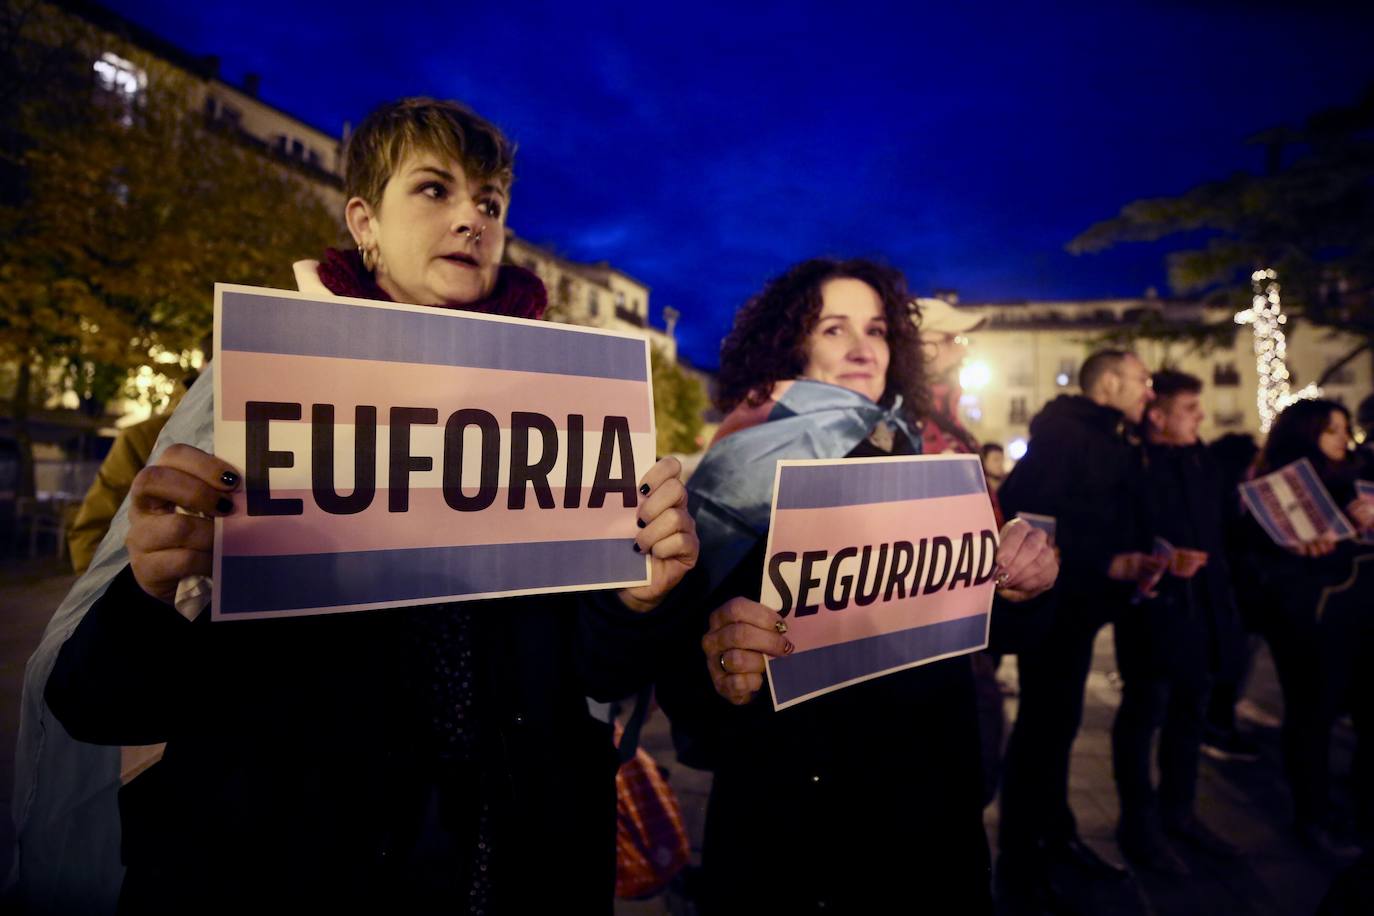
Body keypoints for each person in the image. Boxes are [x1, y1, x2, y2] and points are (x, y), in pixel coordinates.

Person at [25, 97, 698, 913]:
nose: (471, 219)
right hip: (289, 870)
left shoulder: (560, 407)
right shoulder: (260, 388)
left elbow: (595, 674)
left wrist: (638, 598)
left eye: (490, 202)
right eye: (433, 189)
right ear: (363, 221)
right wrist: (152, 592)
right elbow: (97, 703)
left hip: (503, 866)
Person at [656, 258, 1058, 913]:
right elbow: (681, 666)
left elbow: (973, 633)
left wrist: (1023, 589)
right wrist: (719, 662)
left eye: (876, 329)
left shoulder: (914, 451)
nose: (863, 347)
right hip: (797, 831)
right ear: (794, 345)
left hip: (926, 818)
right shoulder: (738, 468)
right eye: (835, 328)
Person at [995, 349, 1163, 897]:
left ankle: (1053, 834)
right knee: (1044, 726)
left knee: (1057, 725)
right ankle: (1024, 857)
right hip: (1057, 610)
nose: (1149, 390)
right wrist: (1102, 560)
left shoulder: (1110, 433)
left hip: (1081, 607)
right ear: (1109, 382)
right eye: (1141, 379)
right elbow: (1030, 511)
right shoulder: (1069, 434)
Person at [1110, 370, 1241, 875]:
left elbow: (1224, 527)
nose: (1200, 416)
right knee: (1143, 717)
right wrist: (1154, 559)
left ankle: (1179, 812)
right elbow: (1116, 530)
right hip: (1154, 615)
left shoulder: (1199, 459)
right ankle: (1138, 826)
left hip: (1204, 611)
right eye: (1189, 408)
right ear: (1158, 416)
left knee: (1190, 715)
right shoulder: (1131, 464)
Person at [1241, 399, 1374, 857]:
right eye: (1332, 430)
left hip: (1363, 616)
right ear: (1305, 433)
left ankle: (1359, 810)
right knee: (1312, 716)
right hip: (1309, 621)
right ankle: (1313, 815)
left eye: (1346, 428)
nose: (1344, 438)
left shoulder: (1361, 477)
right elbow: (1255, 557)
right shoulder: (1279, 484)